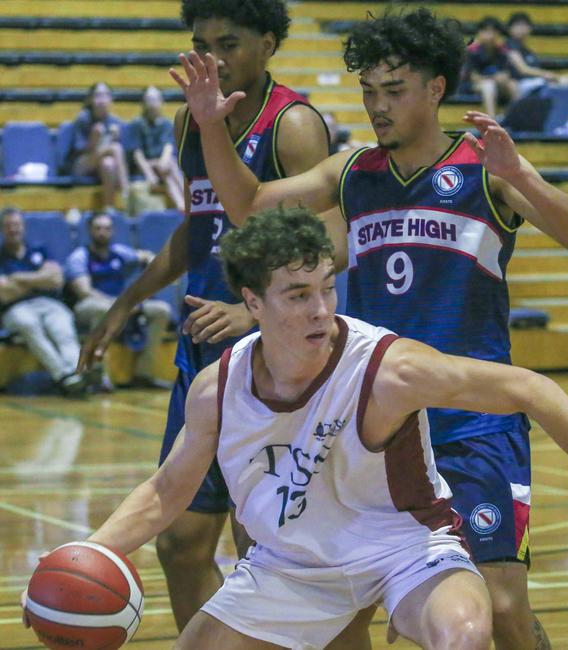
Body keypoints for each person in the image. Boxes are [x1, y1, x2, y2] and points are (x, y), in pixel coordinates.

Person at [171, 8, 568, 649]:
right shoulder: (354, 173)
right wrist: (211, 127)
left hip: (469, 416)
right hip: (374, 423)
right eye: (369, 91)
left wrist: (521, 178)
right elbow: (246, 206)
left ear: (435, 89)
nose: (378, 105)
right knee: (342, 611)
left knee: (504, 603)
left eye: (394, 90)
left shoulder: (487, 170)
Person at [22, 207, 568, 650]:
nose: (320, 309)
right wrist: (89, 553)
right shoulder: (220, 385)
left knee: (463, 632)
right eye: (297, 295)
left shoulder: (387, 367)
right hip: (290, 566)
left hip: (405, 552)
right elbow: (167, 491)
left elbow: (530, 389)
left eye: (326, 287)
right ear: (252, 302)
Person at [75, 0, 339, 636]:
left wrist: (250, 311)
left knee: (264, 551)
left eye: (230, 42)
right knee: (181, 546)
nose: (213, 57)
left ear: (269, 45)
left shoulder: (293, 125)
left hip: (275, 365)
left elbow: (329, 237)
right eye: (202, 42)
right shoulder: (191, 125)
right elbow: (199, 230)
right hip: (202, 360)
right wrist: (127, 300)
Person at [65, 212, 172, 391]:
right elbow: (84, 292)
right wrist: (119, 307)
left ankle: (143, 373)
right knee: (102, 309)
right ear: (89, 231)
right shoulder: (80, 256)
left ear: (112, 231)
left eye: (106, 228)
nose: (102, 232)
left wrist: (150, 260)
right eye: (97, 228)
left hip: (119, 306)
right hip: (88, 307)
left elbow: (145, 257)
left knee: (162, 310)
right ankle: (99, 377)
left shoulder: (119, 252)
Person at [0, 208, 85, 395]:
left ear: (23, 227)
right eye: (8, 226)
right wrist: (40, 279)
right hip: (15, 308)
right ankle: (63, 375)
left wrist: (18, 278)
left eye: (17, 225)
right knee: (27, 323)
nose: (13, 229)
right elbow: (4, 293)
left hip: (49, 303)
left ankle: (76, 373)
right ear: (2, 230)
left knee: (63, 326)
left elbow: (56, 279)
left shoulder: (39, 249)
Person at [505, 12, 568, 109]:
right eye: (518, 25)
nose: (521, 29)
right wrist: (546, 74)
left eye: (524, 25)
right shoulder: (510, 46)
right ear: (510, 29)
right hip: (523, 84)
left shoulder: (527, 50)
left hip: (536, 82)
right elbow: (523, 69)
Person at [66, 82, 130, 209]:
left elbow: (127, 156)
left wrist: (118, 137)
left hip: (103, 168)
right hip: (81, 167)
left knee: (108, 164)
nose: (101, 100)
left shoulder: (116, 123)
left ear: (111, 99)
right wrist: (93, 140)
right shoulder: (83, 119)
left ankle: (109, 209)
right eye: (97, 96)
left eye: (105, 96)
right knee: (115, 148)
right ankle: (127, 194)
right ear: (90, 100)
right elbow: (80, 152)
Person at [130, 86, 185, 211]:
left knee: (169, 165)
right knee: (169, 166)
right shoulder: (136, 125)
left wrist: (162, 163)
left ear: (161, 102)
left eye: (155, 100)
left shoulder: (167, 124)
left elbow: (168, 148)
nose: (152, 104)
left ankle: (182, 204)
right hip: (143, 168)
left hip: (163, 167)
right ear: (143, 103)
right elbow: (137, 154)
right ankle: (185, 202)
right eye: (149, 100)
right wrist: (149, 174)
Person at [461, 16, 518, 117]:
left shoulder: (502, 51)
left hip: (497, 84)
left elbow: (506, 74)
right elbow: (473, 78)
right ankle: (491, 121)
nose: (490, 35)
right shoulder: (473, 51)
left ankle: (512, 118)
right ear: (479, 33)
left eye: (493, 32)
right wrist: (493, 78)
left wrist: (502, 78)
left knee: (512, 85)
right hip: (473, 86)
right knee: (488, 86)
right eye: (486, 31)